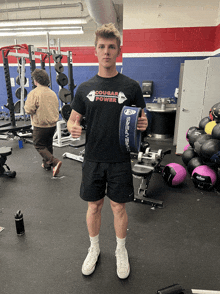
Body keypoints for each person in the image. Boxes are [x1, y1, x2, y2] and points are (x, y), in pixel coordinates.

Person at [67, 23, 148, 279]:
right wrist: (73, 127)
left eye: (111, 47)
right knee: (94, 206)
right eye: (101, 47)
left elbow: (143, 120)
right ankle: (94, 248)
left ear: (118, 51)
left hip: (120, 159)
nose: (106, 51)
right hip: (93, 158)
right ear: (95, 51)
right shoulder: (84, 89)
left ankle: (120, 250)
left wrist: (145, 124)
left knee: (119, 208)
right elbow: (72, 119)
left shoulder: (131, 87)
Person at [24, 68, 62, 177]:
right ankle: (47, 165)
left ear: (36, 80)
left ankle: (55, 162)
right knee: (47, 145)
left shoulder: (34, 93)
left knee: (38, 145)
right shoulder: (52, 93)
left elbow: (29, 109)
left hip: (40, 126)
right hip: (52, 126)